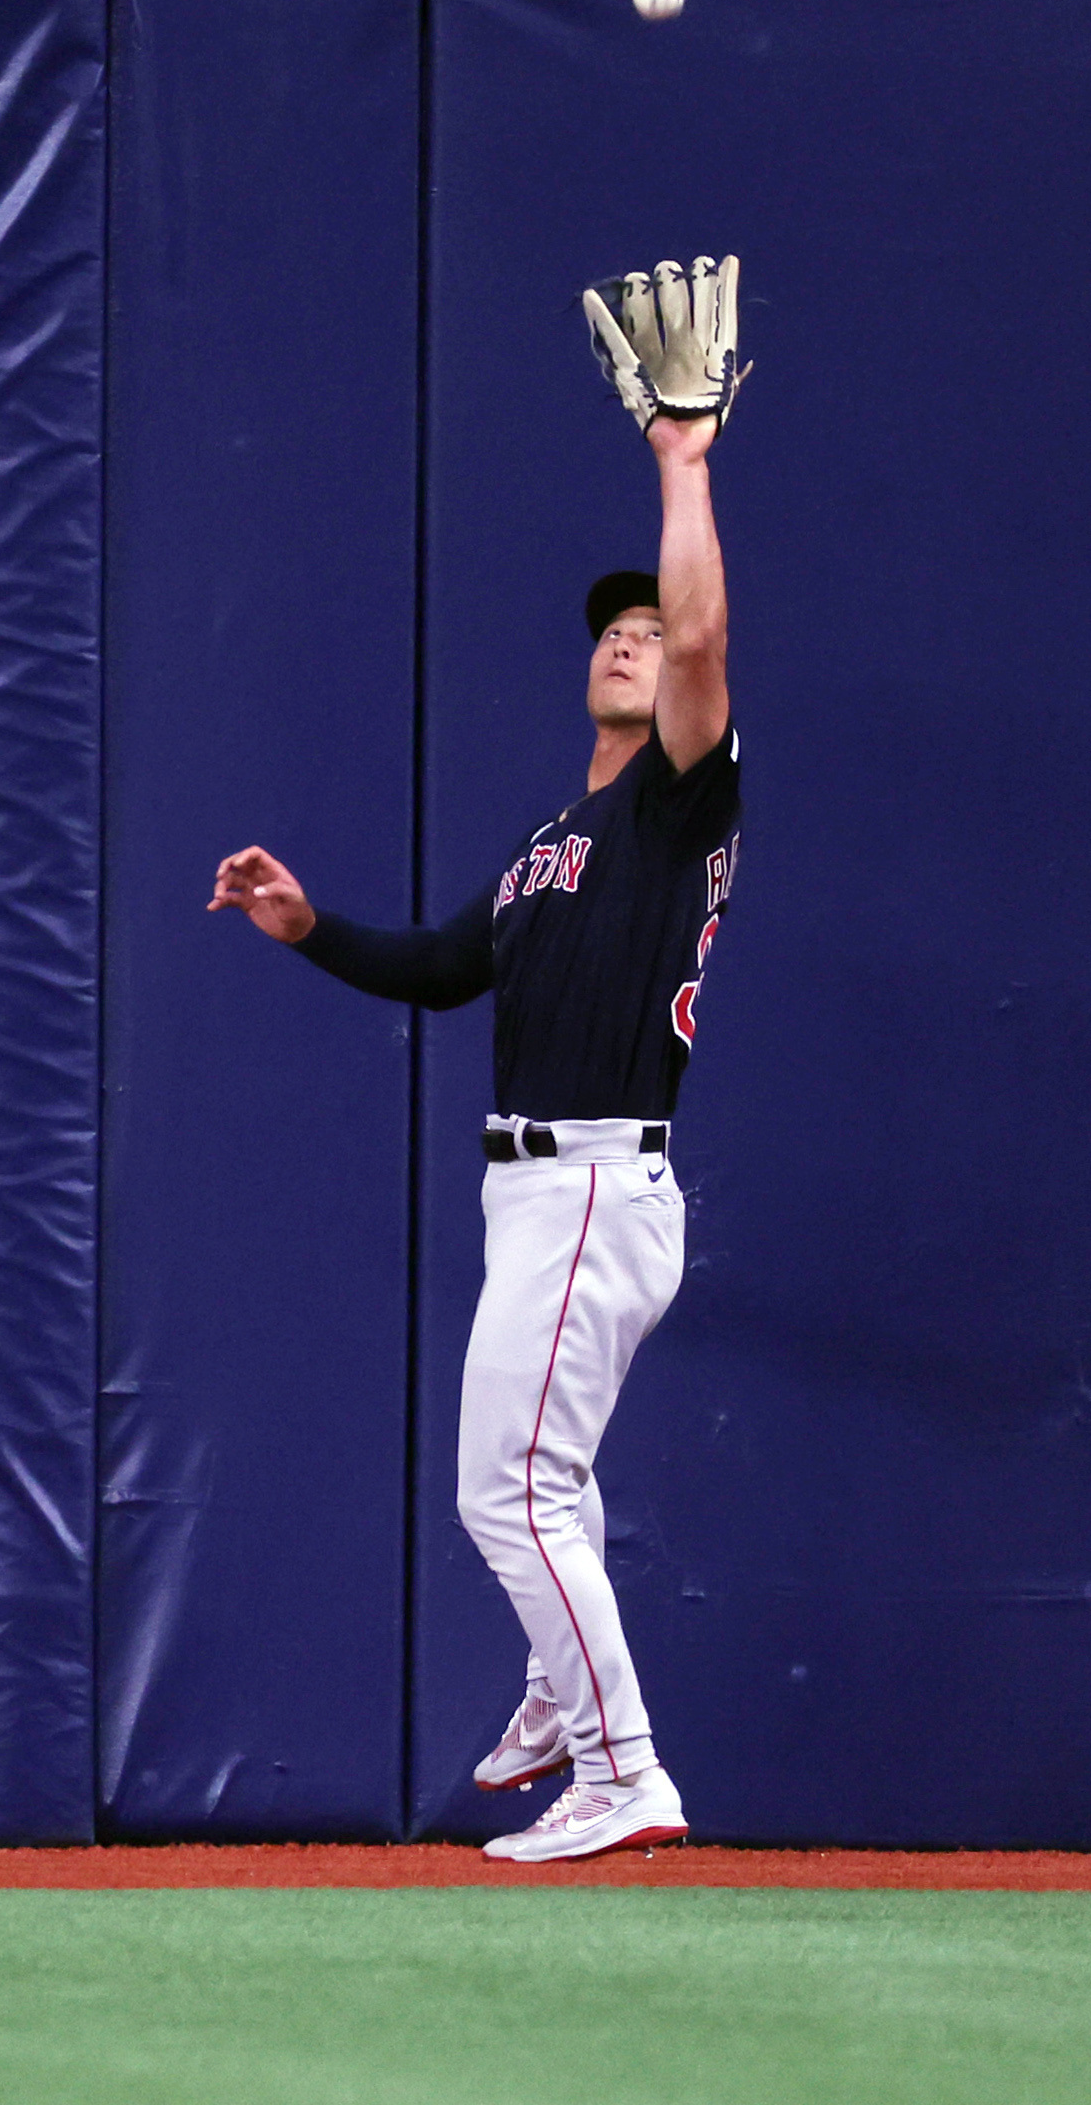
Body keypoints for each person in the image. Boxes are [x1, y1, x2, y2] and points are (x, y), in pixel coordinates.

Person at [209, 258, 743, 1862]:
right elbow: (450, 968)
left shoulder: (675, 802)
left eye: (651, 634)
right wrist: (313, 930)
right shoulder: (551, 843)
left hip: (594, 1176)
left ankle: (621, 1767)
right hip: (542, 1197)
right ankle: (556, 1701)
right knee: (539, 1486)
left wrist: (681, 461)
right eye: (617, 631)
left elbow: (708, 629)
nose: (637, 642)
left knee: (503, 1497)